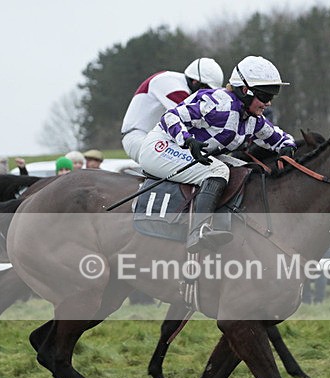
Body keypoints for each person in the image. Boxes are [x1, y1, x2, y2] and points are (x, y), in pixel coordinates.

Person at [139, 55, 296, 252]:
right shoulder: (218, 104)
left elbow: (278, 137)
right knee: (218, 171)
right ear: (245, 91)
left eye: (272, 97)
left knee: (246, 170)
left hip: (190, 151)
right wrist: (187, 140)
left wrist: (288, 147)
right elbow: (170, 117)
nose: (269, 103)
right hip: (160, 146)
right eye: (265, 96)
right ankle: (199, 231)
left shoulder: (253, 119)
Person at [121, 57, 224, 162]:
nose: (207, 95)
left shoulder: (176, 82)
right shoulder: (171, 85)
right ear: (195, 81)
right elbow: (196, 121)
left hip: (154, 137)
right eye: (206, 89)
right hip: (138, 137)